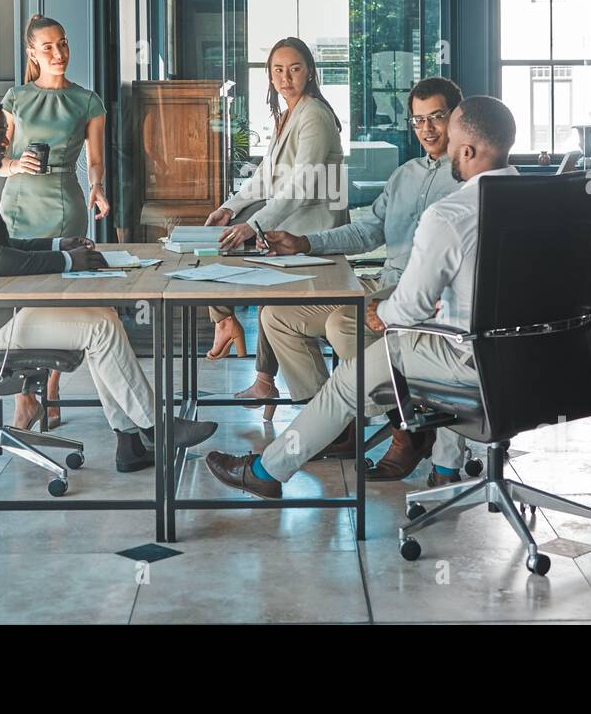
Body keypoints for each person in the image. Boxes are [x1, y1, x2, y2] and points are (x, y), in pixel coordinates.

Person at [203, 96, 518, 499]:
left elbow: (412, 307)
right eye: (418, 119)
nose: (433, 135)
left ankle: (267, 472)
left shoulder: (453, 212)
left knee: (346, 380)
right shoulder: (543, 200)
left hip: (463, 354)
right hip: (525, 360)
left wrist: (382, 313)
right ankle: (440, 465)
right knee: (298, 323)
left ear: (468, 150)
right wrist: (307, 244)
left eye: (449, 132)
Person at [0, 92, 217, 471]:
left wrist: (55, 244)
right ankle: (157, 428)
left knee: (101, 317)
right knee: (99, 327)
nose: (5, 142)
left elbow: (0, 244)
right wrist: (65, 259)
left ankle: (130, 442)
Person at [257, 77, 465, 480]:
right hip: (384, 282)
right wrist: (304, 242)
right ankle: (333, 423)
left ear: (457, 116)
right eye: (418, 120)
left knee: (343, 322)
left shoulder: (468, 177)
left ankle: (407, 427)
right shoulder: (405, 175)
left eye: (436, 117)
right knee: (278, 316)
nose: (427, 129)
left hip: (426, 294)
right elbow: (366, 231)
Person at [203, 36, 348, 417]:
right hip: (289, 229)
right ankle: (260, 374)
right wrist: (229, 206)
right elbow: (267, 176)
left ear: (310, 72)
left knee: (247, 266)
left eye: (294, 68)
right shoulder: (289, 113)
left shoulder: (313, 114)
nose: (285, 77)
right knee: (226, 238)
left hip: (312, 235)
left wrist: (253, 225)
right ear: (269, 76)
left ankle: (226, 323)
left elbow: (301, 185)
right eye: (277, 70)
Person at [0, 14, 110, 430]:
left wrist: (97, 187)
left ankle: (51, 389)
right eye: (48, 48)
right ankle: (26, 395)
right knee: (21, 306)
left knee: (62, 302)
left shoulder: (88, 101)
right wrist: (14, 164)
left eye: (63, 44)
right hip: (19, 206)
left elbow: (95, 161)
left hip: (65, 205)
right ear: (32, 54)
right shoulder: (15, 100)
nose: (59, 54)